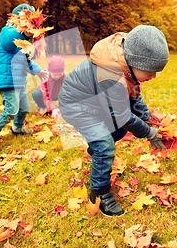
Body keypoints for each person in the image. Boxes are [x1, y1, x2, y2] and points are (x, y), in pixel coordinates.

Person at [58, 25, 169, 217]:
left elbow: (134, 97)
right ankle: (100, 193)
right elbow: (123, 116)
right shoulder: (111, 75)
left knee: (118, 131)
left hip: (95, 102)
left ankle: (96, 151)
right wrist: (148, 132)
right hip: (77, 106)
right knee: (105, 143)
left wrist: (147, 119)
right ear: (135, 63)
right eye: (150, 71)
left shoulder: (126, 66)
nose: (153, 76)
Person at [0, 3, 49, 155]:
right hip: (7, 80)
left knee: (24, 108)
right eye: (27, 21)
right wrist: (24, 33)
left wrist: (39, 72)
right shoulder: (8, 32)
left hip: (19, 81)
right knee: (11, 110)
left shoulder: (24, 42)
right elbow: (10, 39)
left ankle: (17, 127)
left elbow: (27, 60)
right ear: (18, 19)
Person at [32, 55, 67, 120]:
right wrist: (53, 108)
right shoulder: (45, 78)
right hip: (48, 94)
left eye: (60, 74)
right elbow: (46, 96)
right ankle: (42, 107)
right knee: (36, 94)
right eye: (55, 75)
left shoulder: (65, 77)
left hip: (59, 94)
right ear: (50, 71)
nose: (57, 76)